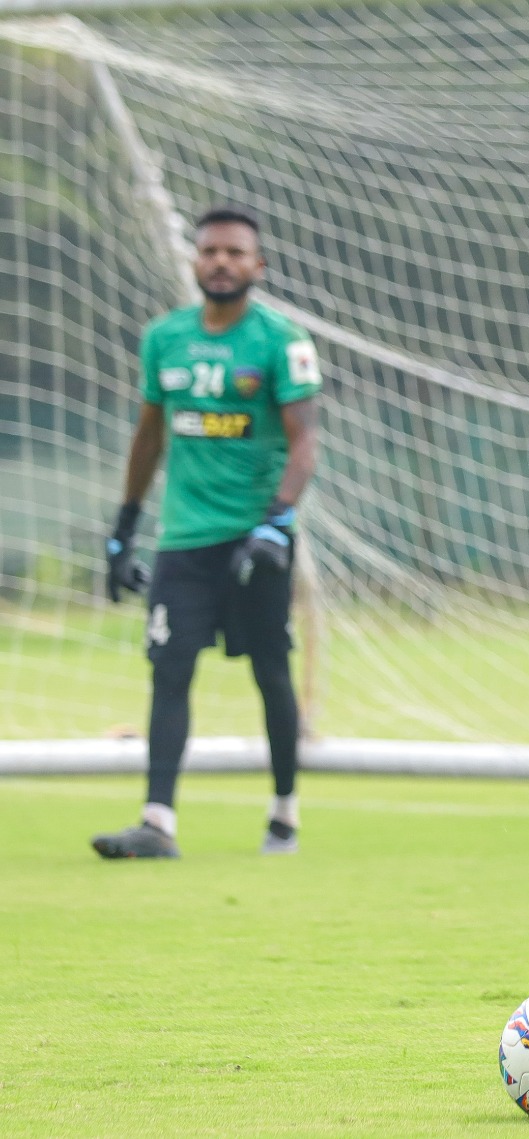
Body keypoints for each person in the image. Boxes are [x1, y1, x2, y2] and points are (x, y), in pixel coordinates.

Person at [92, 205, 322, 860]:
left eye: (234, 252)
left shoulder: (282, 340)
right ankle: (157, 822)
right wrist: (125, 525)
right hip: (183, 541)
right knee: (169, 668)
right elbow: (149, 435)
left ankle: (284, 812)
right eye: (210, 251)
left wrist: (278, 522)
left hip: (256, 536)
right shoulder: (164, 337)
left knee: (271, 671)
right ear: (196, 261)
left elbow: (305, 441)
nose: (220, 261)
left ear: (257, 265)